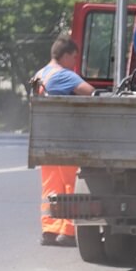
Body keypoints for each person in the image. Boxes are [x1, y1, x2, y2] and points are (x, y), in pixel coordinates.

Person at [33, 35, 94, 246]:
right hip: (66, 140)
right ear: (65, 55)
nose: (75, 62)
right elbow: (91, 93)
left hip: (44, 140)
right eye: (74, 57)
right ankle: (67, 231)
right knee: (71, 184)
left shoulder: (39, 74)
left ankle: (49, 230)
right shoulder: (64, 75)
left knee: (51, 187)